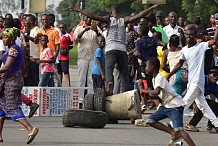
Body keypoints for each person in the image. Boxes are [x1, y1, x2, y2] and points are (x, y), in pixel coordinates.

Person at [69, 3, 161, 96]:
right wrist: (152, 8)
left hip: (110, 49)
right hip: (122, 49)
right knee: (124, 73)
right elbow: (139, 15)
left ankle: (110, 85)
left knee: (109, 70)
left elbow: (93, 16)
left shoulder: (108, 19)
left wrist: (79, 10)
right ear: (119, 13)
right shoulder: (124, 20)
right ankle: (125, 93)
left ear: (111, 13)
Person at [167, 24, 218, 133]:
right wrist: (169, 74)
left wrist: (217, 28)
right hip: (191, 83)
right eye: (187, 34)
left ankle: (172, 123)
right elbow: (179, 64)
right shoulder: (184, 50)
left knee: (185, 102)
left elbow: (213, 42)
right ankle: (216, 124)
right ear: (184, 35)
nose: (189, 36)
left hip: (197, 82)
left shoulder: (201, 46)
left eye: (191, 35)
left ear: (195, 35)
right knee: (203, 106)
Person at [141, 57, 196, 146]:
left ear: (152, 67)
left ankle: (179, 135)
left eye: (146, 66)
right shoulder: (154, 79)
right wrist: (147, 96)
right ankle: (173, 133)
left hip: (175, 105)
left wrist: (146, 91)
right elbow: (157, 95)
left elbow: (156, 92)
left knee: (180, 130)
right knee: (150, 120)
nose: (145, 68)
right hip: (167, 105)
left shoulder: (159, 77)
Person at [0, 27, 39, 144]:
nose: (3, 39)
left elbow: (7, 66)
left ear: (12, 38)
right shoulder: (12, 49)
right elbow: (22, 65)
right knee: (1, 107)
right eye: (3, 37)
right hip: (10, 79)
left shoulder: (13, 50)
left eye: (6, 37)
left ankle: (30, 129)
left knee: (11, 106)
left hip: (11, 81)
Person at [134, 24, 166, 111]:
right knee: (141, 82)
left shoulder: (139, 42)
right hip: (155, 64)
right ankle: (143, 103)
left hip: (146, 66)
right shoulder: (154, 39)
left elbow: (136, 52)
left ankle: (157, 104)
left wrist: (136, 55)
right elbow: (163, 43)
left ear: (140, 32)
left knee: (146, 84)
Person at [73, 16, 100, 108]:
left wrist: (95, 30)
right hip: (83, 56)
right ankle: (80, 100)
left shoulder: (96, 28)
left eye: (91, 18)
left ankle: (91, 99)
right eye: (87, 18)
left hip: (93, 57)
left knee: (91, 79)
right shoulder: (79, 28)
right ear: (84, 19)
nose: (89, 20)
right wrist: (85, 30)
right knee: (81, 79)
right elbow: (76, 39)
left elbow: (101, 39)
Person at [185, 67, 218, 132]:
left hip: (200, 100)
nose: (216, 77)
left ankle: (211, 125)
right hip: (189, 100)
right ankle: (191, 124)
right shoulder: (201, 80)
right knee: (201, 107)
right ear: (209, 74)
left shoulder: (214, 85)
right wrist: (194, 103)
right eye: (214, 75)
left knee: (215, 105)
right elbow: (191, 91)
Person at [34, 14, 60, 86]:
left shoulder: (55, 31)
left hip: (51, 56)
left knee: (54, 78)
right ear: (41, 21)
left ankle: (56, 92)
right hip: (43, 57)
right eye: (43, 20)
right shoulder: (39, 31)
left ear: (49, 21)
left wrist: (55, 57)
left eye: (46, 20)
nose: (45, 21)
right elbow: (35, 42)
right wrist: (37, 36)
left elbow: (58, 45)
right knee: (42, 77)